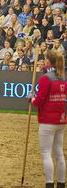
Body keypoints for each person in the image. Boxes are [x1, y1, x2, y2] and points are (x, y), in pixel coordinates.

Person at [31, 50, 67, 188]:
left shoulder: (46, 78)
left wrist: (32, 99)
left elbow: (39, 100)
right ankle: (62, 183)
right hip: (61, 119)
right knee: (59, 153)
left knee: (46, 153)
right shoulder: (63, 77)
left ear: (47, 61)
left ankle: (50, 183)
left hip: (47, 120)